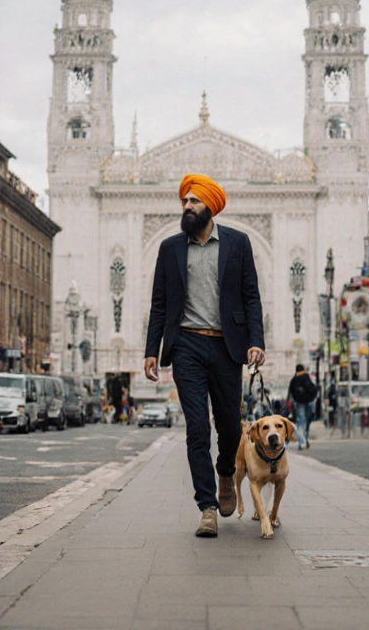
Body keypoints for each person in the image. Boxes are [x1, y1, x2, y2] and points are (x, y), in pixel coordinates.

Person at [143, 173, 265, 539]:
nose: (187, 206)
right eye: (184, 201)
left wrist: (256, 341)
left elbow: (251, 296)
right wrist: (151, 351)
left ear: (210, 206)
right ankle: (207, 507)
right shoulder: (170, 248)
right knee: (197, 428)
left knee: (229, 427)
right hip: (187, 346)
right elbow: (159, 303)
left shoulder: (237, 243)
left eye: (194, 201)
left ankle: (226, 470)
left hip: (227, 347)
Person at [288, 363, 319, 450]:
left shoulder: (294, 380)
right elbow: (313, 389)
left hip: (299, 403)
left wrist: (296, 400)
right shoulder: (307, 378)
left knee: (300, 423)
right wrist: (312, 398)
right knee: (306, 423)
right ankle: (304, 441)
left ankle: (302, 442)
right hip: (309, 402)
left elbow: (291, 392)